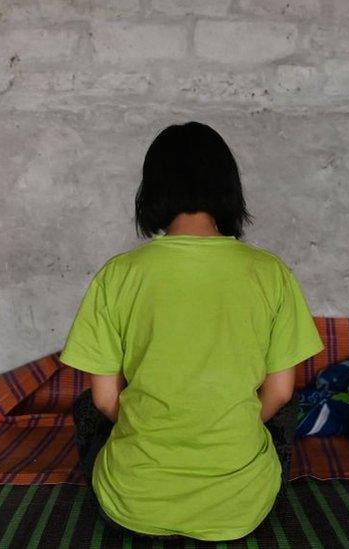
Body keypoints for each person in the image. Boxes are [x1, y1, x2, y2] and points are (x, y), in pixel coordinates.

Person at [60, 121, 323, 541]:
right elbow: (279, 393)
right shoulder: (271, 273)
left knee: (86, 408)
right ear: (228, 188)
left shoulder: (118, 275)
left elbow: (105, 398)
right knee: (285, 412)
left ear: (153, 191)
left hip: (132, 504)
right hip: (241, 508)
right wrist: (219, 424)